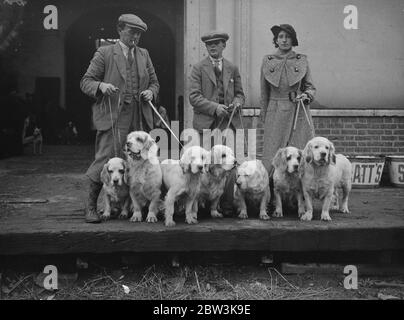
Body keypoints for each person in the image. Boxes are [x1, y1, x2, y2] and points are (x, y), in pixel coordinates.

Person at [80, 13, 160, 223]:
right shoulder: (104, 53)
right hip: (113, 117)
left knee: (139, 162)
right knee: (106, 160)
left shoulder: (144, 54)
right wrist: (101, 86)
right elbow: (86, 82)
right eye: (132, 31)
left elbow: (154, 83)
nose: (136, 37)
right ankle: (90, 207)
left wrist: (151, 92)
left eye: (139, 34)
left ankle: (134, 206)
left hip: (139, 119)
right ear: (120, 30)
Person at [189, 30, 245, 216]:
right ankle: (203, 204)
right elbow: (194, 97)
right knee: (207, 165)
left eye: (216, 43)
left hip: (228, 124)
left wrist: (237, 102)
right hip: (206, 123)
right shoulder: (198, 68)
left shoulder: (232, 68)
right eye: (209, 44)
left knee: (229, 166)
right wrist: (214, 108)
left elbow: (240, 93)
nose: (212, 47)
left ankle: (226, 205)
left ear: (224, 45)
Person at [260, 24, 316, 176]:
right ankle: (271, 191)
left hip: (298, 112)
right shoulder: (268, 60)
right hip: (275, 111)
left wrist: (306, 95)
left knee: (300, 149)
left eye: (288, 37)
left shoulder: (302, 60)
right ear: (276, 40)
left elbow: (310, 87)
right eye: (280, 37)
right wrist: (264, 116)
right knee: (273, 151)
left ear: (293, 40)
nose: (284, 40)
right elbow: (264, 93)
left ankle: (302, 192)